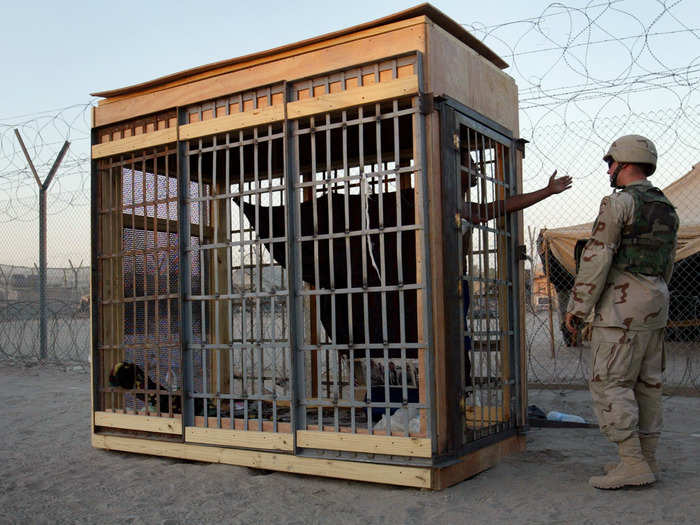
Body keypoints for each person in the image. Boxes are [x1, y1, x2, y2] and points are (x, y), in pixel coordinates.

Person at [565, 135, 679, 490]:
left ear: (625, 162)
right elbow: (668, 262)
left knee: (611, 382)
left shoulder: (619, 204)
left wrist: (578, 308)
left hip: (621, 307)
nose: (610, 170)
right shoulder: (665, 207)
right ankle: (647, 460)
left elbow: (597, 257)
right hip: (655, 302)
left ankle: (632, 463)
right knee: (648, 384)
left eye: (611, 163)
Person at [460, 149, 572, 391]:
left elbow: (503, 205)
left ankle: (461, 393)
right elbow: (498, 206)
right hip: (447, 285)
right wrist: (547, 191)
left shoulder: (466, 206)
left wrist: (547, 191)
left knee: (460, 341)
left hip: (458, 284)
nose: (477, 170)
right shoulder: (452, 205)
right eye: (470, 164)